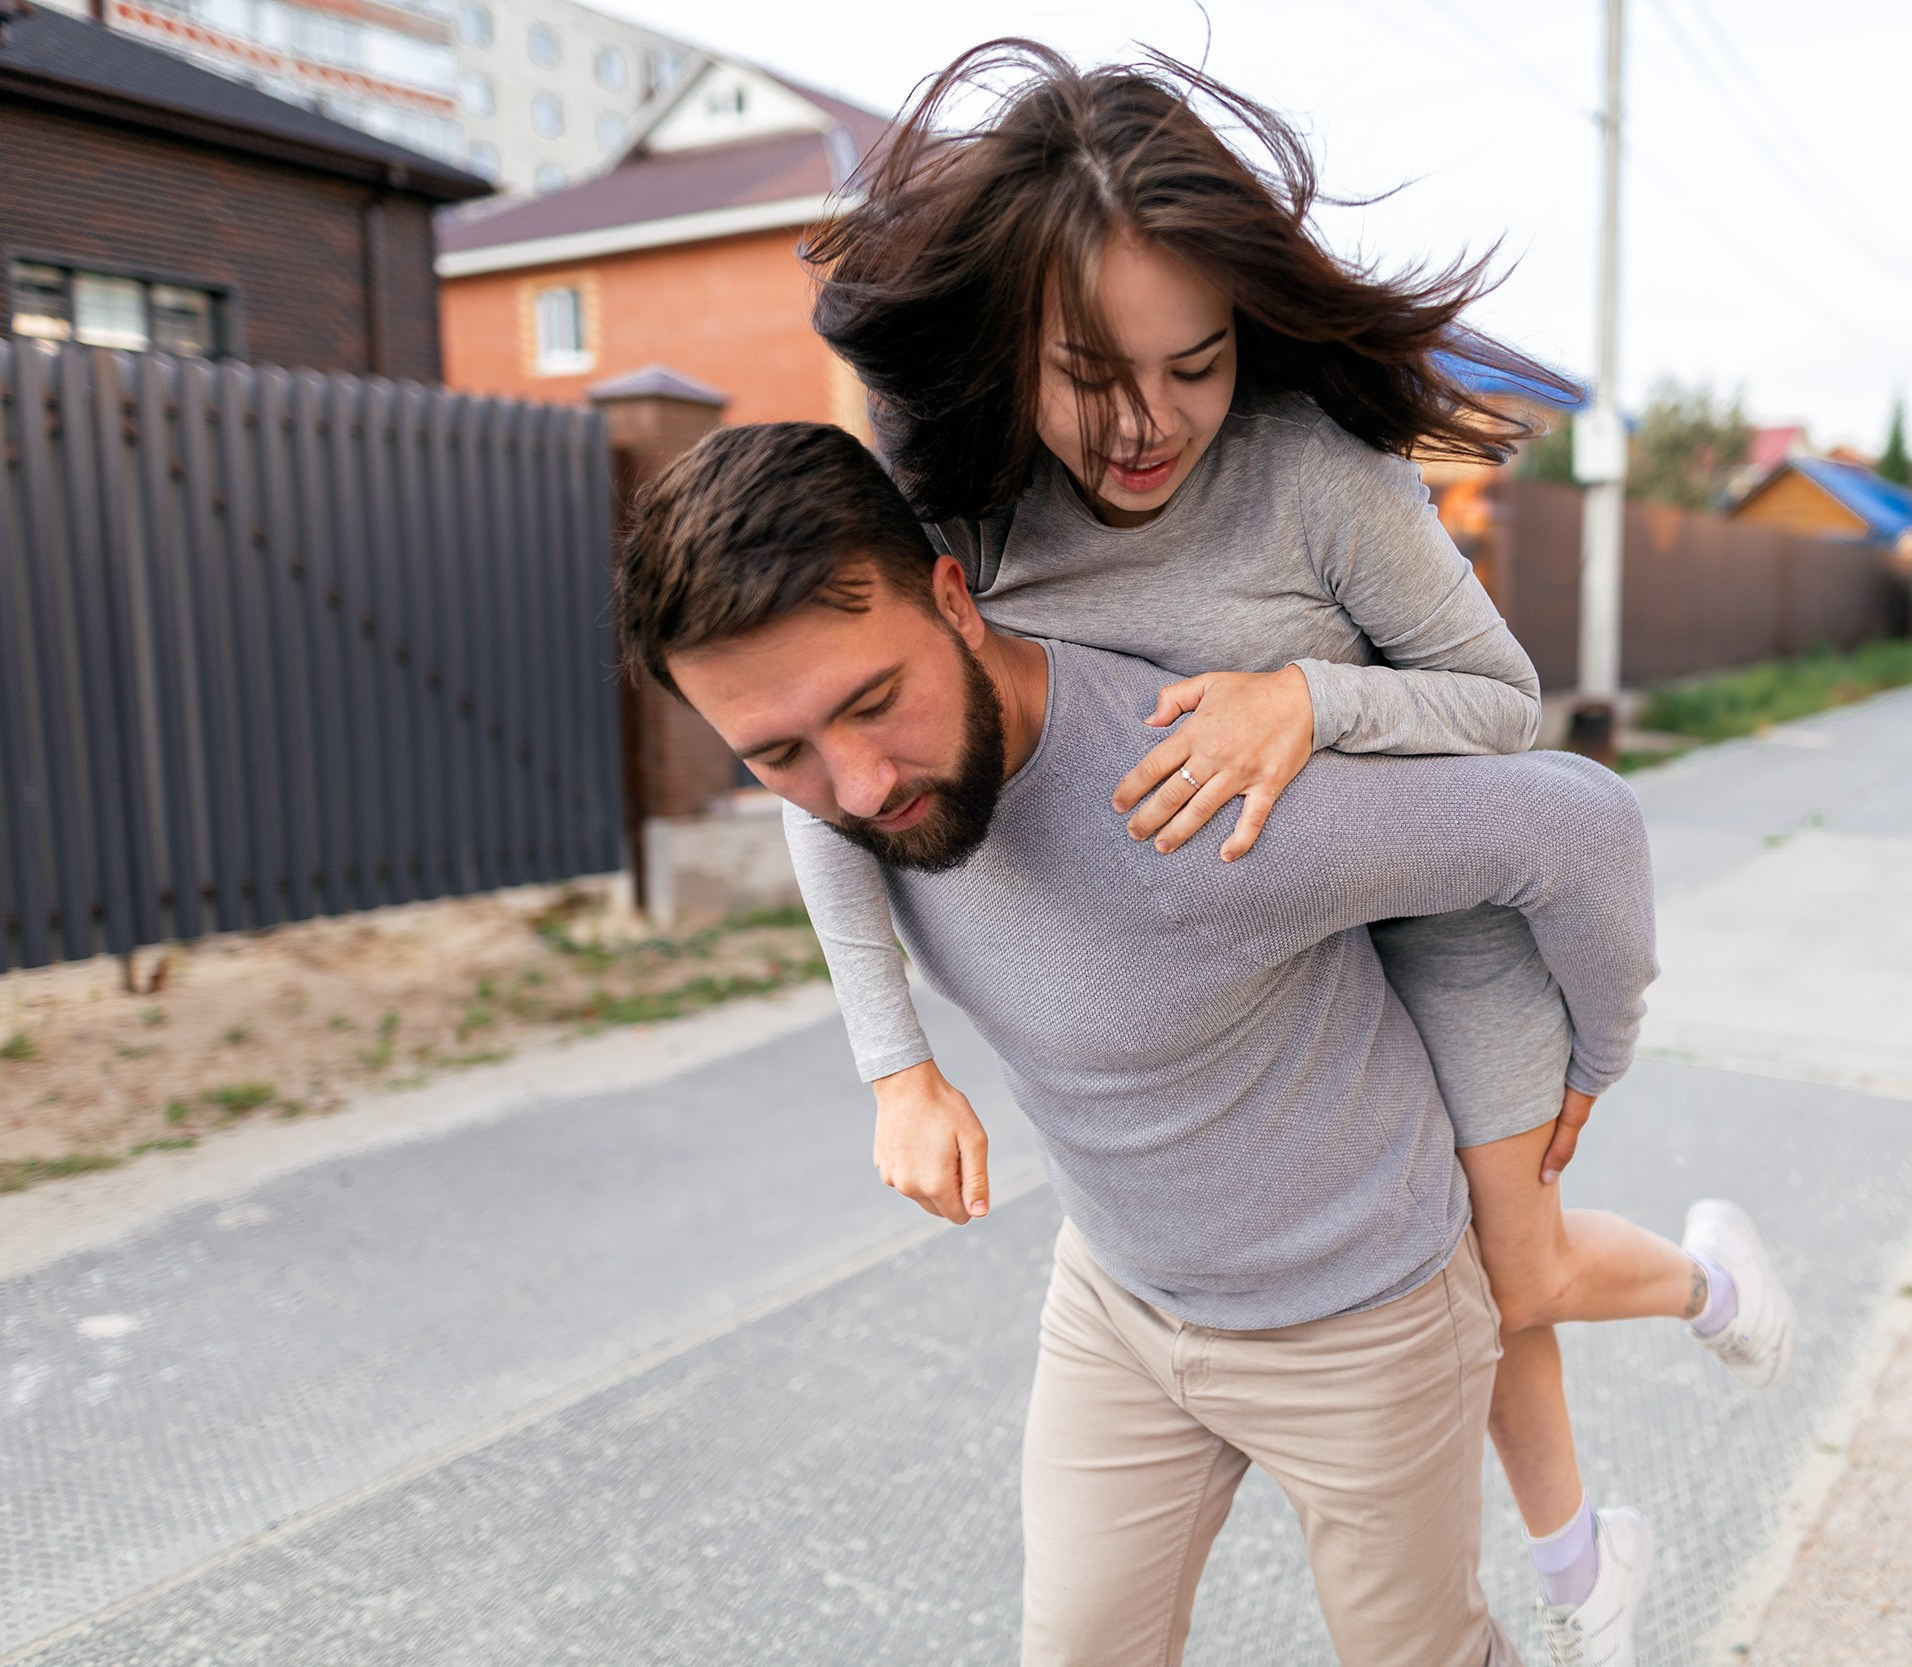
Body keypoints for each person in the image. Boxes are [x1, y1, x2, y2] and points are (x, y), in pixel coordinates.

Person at [783, 42, 1800, 1663]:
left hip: (1427, 906)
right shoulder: (966, 503)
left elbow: (1501, 708)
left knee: (1512, 1267)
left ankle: (1704, 1305)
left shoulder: (1317, 479)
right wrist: (894, 1062)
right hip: (1238, 965)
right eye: (1088, 374)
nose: (1145, 426)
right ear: (1008, 345)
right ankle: (1586, 1556)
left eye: (1193, 364)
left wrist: (1305, 701)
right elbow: (823, 741)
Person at [619, 419, 1661, 1665]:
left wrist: (1597, 1055)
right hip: (1118, 1305)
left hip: (1360, 1323)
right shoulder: (862, 779)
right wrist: (895, 1067)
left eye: (872, 703)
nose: (856, 788)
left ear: (952, 600)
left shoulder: (1193, 803)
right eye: (779, 752)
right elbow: (826, 813)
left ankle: (1685, 1323)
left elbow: (1579, 826)